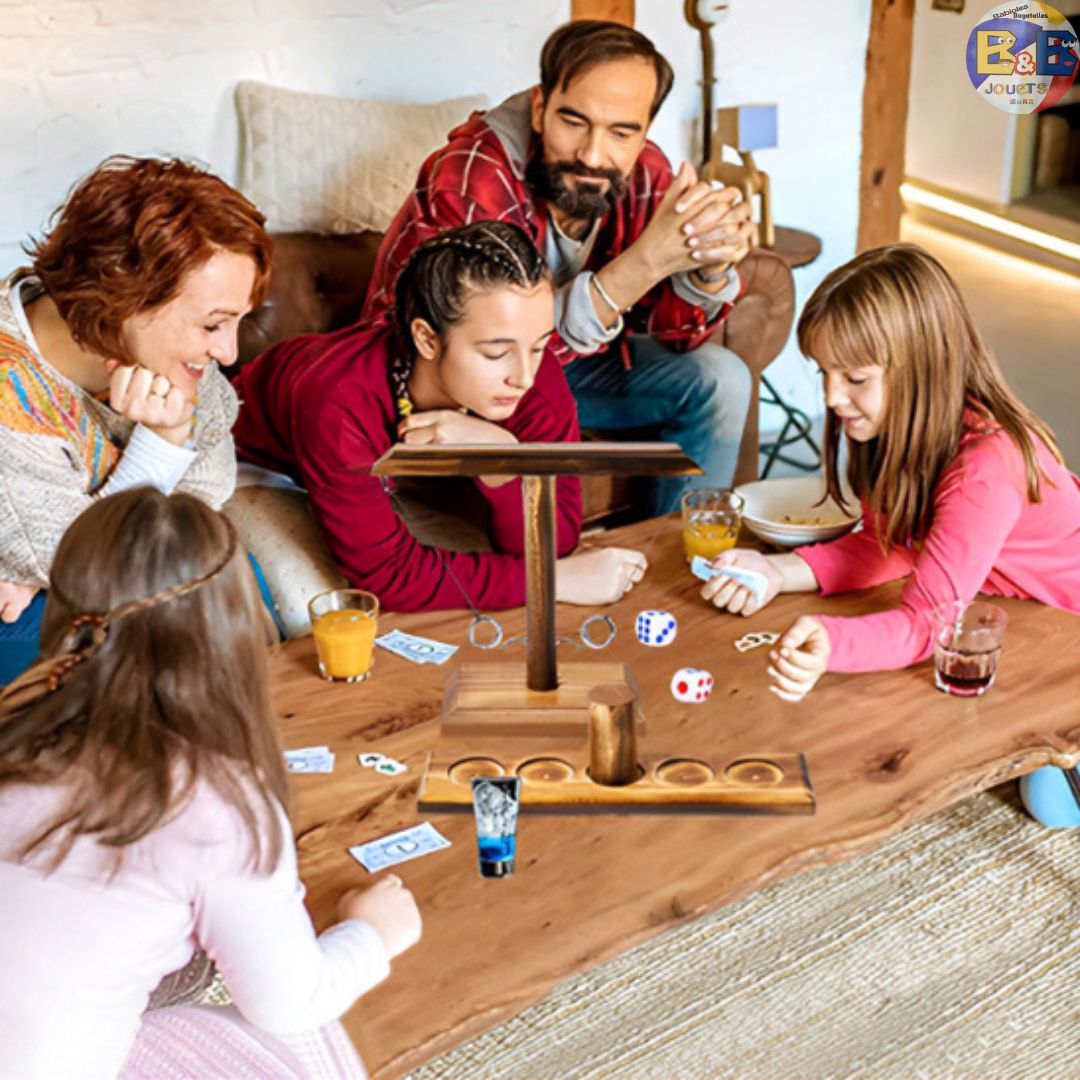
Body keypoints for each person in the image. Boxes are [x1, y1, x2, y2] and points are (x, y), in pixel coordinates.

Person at [0, 488, 422, 1078]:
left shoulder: (13, 718)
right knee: (307, 1044)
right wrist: (372, 936)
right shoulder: (217, 802)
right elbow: (289, 1003)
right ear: (235, 632)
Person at [699, 244, 1080, 828]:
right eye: (824, 373)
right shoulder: (899, 425)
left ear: (922, 367)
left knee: (1051, 808)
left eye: (853, 377)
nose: (830, 396)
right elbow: (890, 543)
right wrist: (778, 571)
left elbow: (932, 623)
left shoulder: (985, 468)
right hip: (1021, 612)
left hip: (1068, 620)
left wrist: (834, 642)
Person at [363, 20, 755, 517]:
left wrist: (709, 271)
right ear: (541, 107)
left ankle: (679, 563)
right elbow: (476, 347)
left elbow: (676, 334)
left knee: (721, 379)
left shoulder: (644, 170)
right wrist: (645, 262)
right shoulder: (474, 175)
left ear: (644, 131)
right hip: (453, 378)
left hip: (563, 368)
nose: (593, 155)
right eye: (574, 121)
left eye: (622, 132)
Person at [233, 221, 647, 612]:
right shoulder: (338, 400)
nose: (524, 376)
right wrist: (555, 581)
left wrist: (505, 462)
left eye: (539, 345)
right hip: (260, 467)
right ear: (427, 339)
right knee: (324, 609)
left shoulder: (536, 376)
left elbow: (556, 536)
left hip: (393, 480)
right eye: (495, 353)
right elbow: (388, 576)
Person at [0, 155, 274, 683]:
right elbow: (87, 569)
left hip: (90, 574)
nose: (229, 352)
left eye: (237, 321)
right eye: (214, 324)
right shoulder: (11, 397)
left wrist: (43, 565)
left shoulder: (175, 359)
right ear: (125, 298)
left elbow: (202, 503)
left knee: (232, 573)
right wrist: (164, 444)